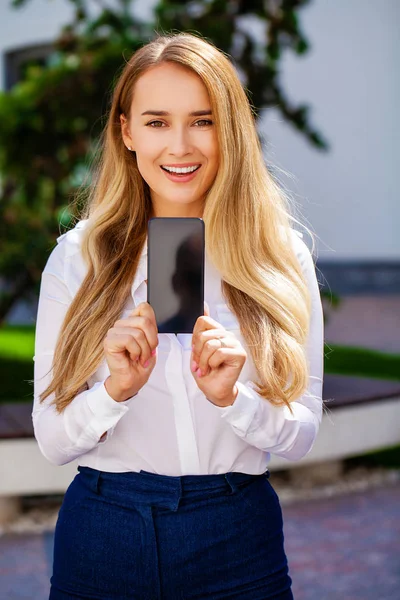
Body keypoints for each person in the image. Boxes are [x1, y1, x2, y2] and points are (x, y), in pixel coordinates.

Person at [33, 32, 324, 600]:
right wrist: (114, 390)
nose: (181, 146)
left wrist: (233, 399)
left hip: (237, 531)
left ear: (230, 129)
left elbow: (301, 434)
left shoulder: (279, 254)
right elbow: (52, 439)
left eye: (203, 120)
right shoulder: (78, 257)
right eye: (158, 121)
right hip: (104, 529)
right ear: (127, 132)